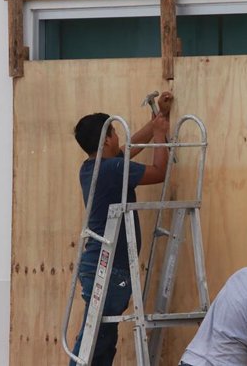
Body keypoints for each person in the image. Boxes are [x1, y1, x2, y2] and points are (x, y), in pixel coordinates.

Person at [70, 91, 174, 366]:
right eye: (115, 133)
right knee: (96, 341)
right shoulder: (113, 169)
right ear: (106, 138)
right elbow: (159, 172)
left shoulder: (92, 167)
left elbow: (126, 150)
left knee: (101, 339)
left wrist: (156, 123)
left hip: (99, 264)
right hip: (109, 266)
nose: (118, 138)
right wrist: (161, 135)